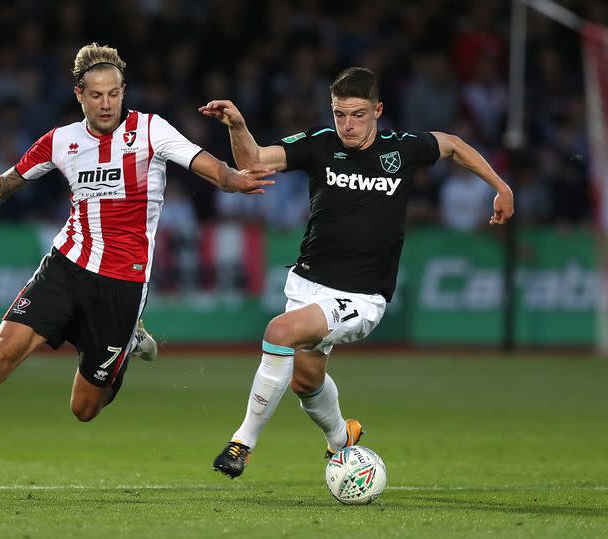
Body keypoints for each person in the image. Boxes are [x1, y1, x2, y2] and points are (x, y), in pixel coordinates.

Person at [0, 42, 274, 496]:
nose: (106, 104)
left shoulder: (151, 131)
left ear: (123, 92)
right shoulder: (60, 141)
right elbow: (0, 187)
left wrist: (233, 180)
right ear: (79, 94)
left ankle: (124, 349)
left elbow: (209, 166)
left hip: (122, 285)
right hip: (65, 266)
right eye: (96, 95)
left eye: (114, 94)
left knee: (84, 409)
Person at [199, 66, 513, 478]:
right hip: (308, 283)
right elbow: (253, 161)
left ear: (378, 110)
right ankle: (341, 439)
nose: (347, 124)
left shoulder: (400, 149)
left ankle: (242, 442)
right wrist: (237, 126)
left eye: (358, 114)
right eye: (340, 114)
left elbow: (453, 145)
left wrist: (500, 186)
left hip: (362, 298)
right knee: (305, 382)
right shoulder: (320, 144)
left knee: (279, 332)